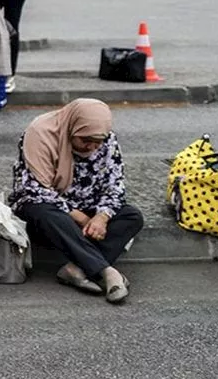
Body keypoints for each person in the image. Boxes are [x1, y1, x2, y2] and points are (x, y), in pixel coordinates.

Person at [9, 99, 142, 304]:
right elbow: (32, 188)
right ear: (72, 129)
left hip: (89, 209)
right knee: (49, 215)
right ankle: (107, 272)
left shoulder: (107, 140)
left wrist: (101, 217)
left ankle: (75, 268)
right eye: (85, 140)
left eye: (98, 141)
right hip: (47, 207)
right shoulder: (40, 133)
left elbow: (115, 185)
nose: (92, 146)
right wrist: (78, 216)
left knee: (132, 216)